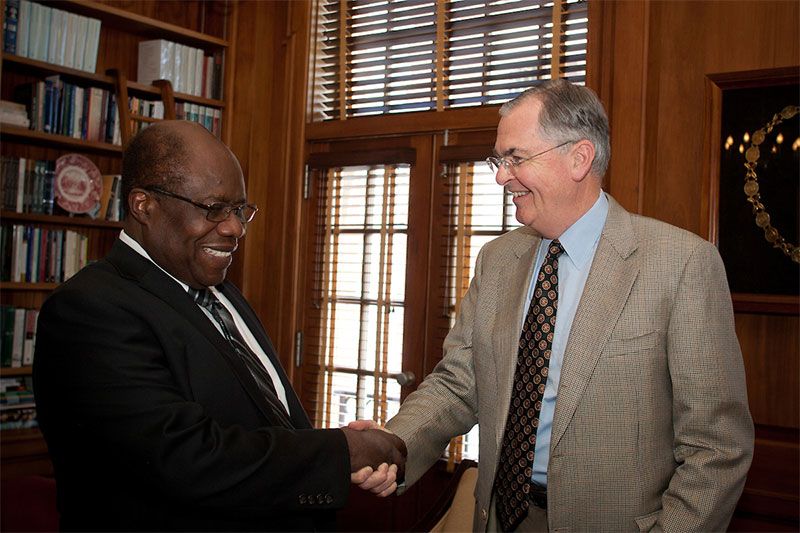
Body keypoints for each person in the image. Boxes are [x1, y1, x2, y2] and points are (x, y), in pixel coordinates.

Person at [353, 79, 754, 532]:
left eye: (516, 159)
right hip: (499, 516)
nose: (502, 176)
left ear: (579, 158)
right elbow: (459, 382)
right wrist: (393, 445)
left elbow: (717, 448)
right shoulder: (498, 259)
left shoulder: (680, 264)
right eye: (499, 161)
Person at [33, 120, 405, 532]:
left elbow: (260, 421)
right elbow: (185, 459)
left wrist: (339, 454)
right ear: (143, 205)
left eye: (239, 210)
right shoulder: (89, 310)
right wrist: (344, 451)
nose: (234, 228)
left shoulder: (219, 291)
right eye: (213, 209)